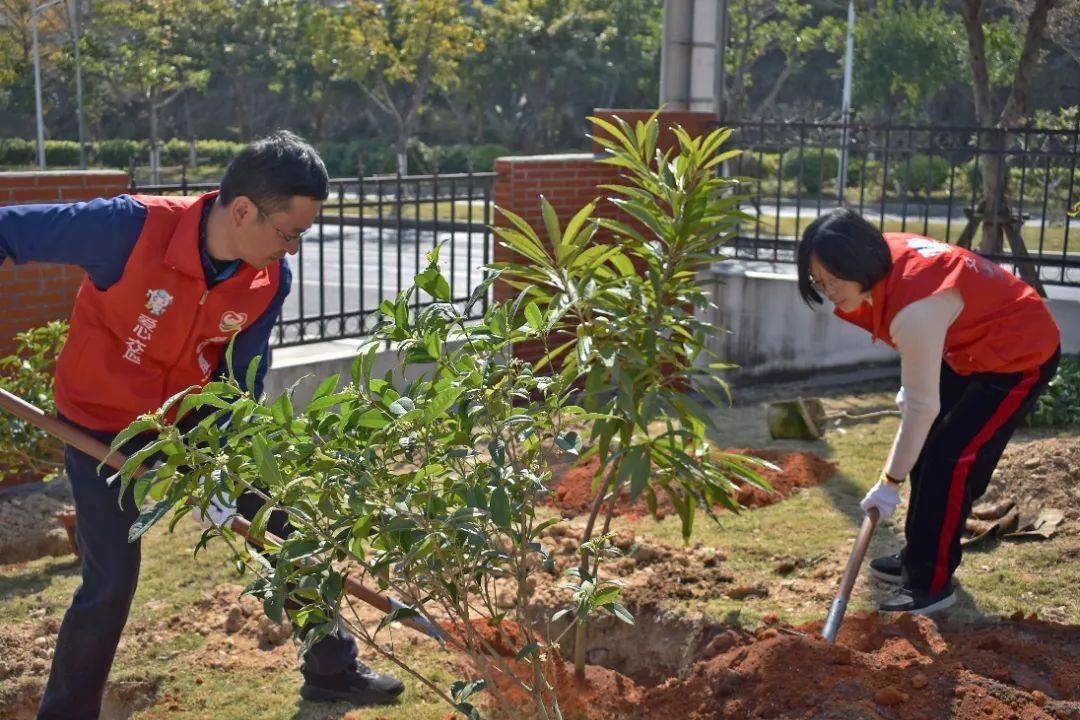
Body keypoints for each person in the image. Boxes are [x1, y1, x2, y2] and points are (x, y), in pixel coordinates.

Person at [0, 130, 403, 719]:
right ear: (243, 210)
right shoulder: (127, 229)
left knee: (281, 524)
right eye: (288, 233)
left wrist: (223, 468)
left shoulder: (267, 281)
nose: (291, 249)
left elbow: (240, 382)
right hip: (98, 427)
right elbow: (9, 229)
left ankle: (331, 670)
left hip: (188, 421)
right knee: (110, 582)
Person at [796, 208, 1061, 615]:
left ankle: (930, 585)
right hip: (968, 346)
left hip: (1019, 353)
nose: (829, 290)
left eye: (834, 278)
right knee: (928, 452)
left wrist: (889, 483)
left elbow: (922, 406)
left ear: (858, 261)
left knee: (948, 457)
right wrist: (914, 386)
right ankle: (920, 552)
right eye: (819, 281)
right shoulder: (885, 262)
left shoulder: (914, 307)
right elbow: (925, 355)